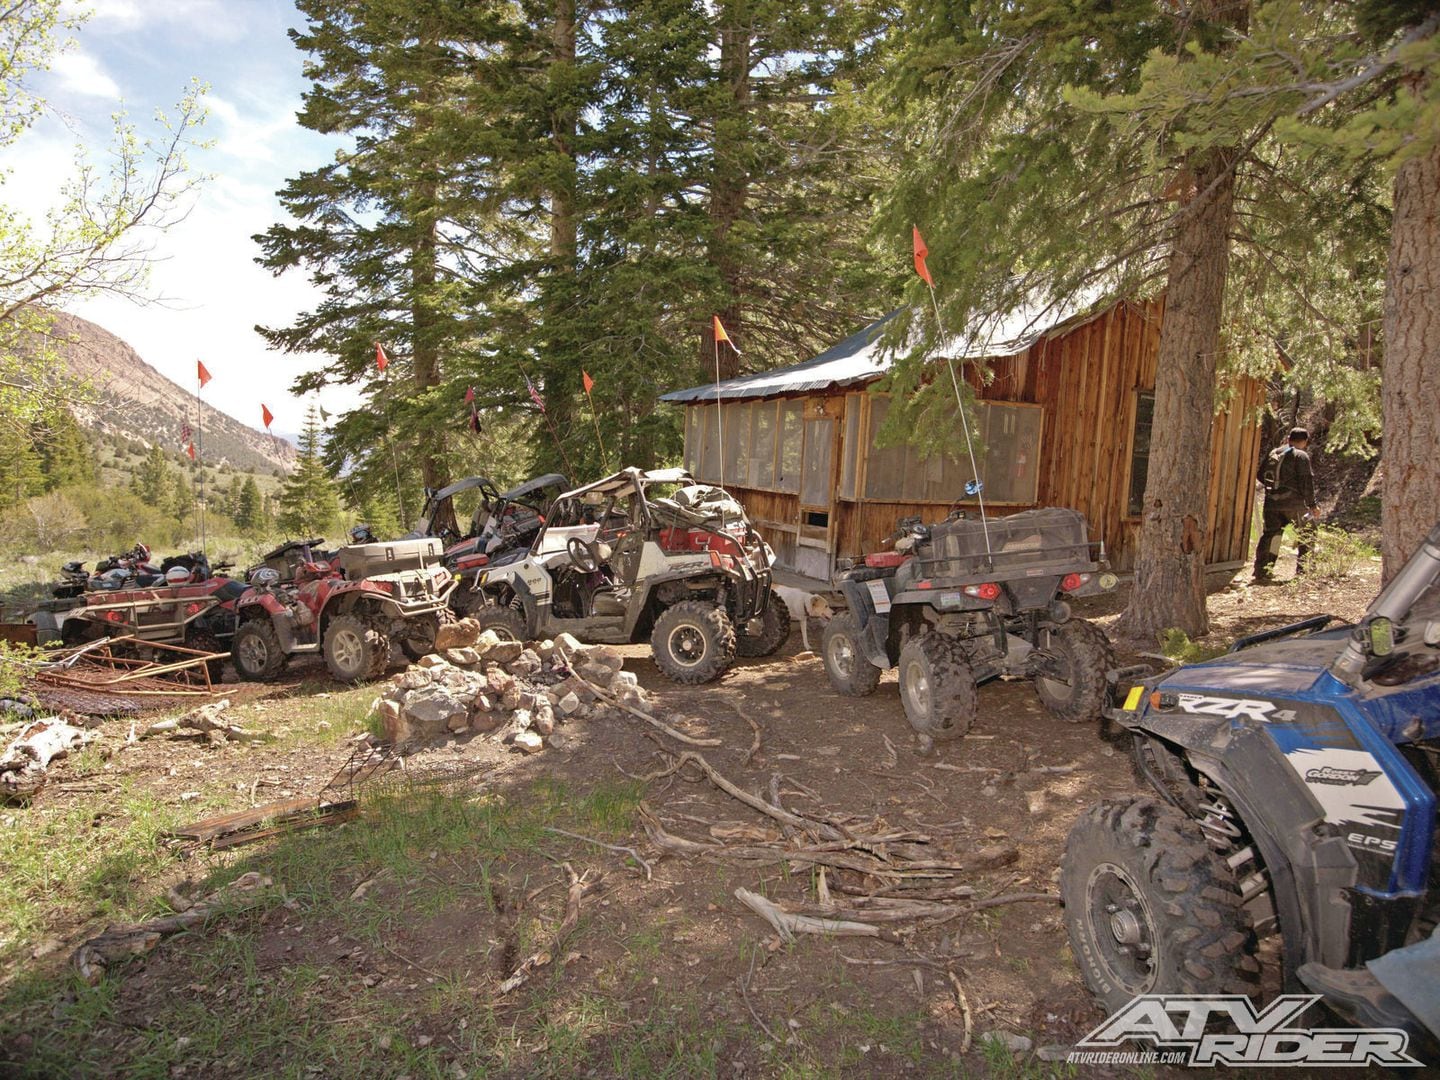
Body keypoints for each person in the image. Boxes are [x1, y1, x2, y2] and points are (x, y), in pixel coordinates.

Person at [1253, 427, 1319, 582]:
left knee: (1272, 535)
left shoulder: (1274, 453)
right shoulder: (1301, 455)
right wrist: (1312, 505)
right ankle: (1304, 571)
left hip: (1271, 504)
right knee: (1307, 533)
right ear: (1304, 442)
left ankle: (1262, 571)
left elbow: (1260, 475)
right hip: (1294, 505)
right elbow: (1306, 482)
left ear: (1289, 438)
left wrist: (1277, 489)